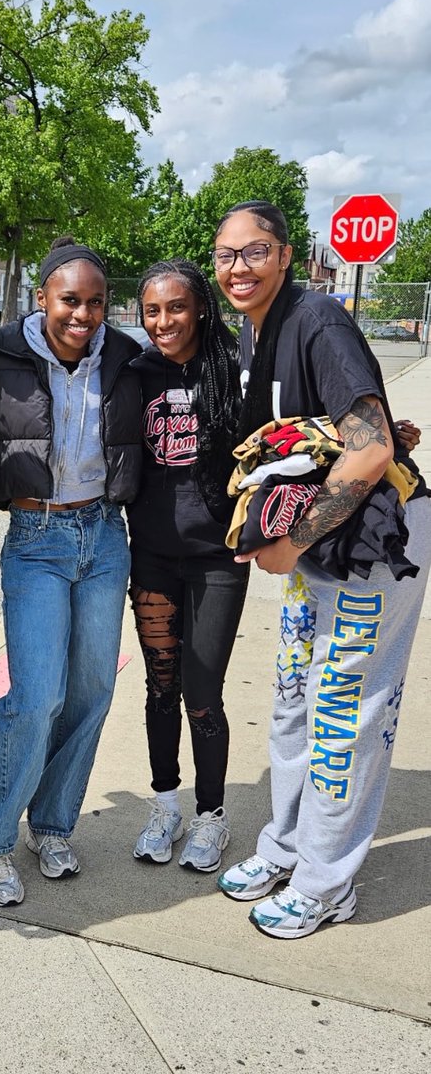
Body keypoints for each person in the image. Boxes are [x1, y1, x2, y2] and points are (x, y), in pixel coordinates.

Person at [212, 200, 431, 938]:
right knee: (294, 700)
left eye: (254, 251)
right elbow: (345, 428)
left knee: (344, 711)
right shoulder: (256, 331)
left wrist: (291, 542)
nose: (237, 267)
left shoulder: (318, 320)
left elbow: (369, 452)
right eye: (225, 255)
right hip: (324, 549)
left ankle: (328, 882)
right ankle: (289, 847)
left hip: (375, 546)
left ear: (285, 256)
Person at [0, 236, 142, 906]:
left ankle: (51, 824)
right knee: (35, 697)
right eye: (70, 299)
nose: (84, 314)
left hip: (103, 536)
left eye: (96, 302)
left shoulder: (127, 359)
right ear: (42, 297)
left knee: (91, 692)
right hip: (37, 537)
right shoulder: (1, 356)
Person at [127, 259, 248, 872]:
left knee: (202, 694)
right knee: (160, 688)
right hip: (151, 556)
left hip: (217, 559)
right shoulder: (135, 371)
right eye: (152, 310)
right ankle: (165, 804)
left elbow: (290, 430)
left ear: (200, 305)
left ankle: (211, 816)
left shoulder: (231, 368)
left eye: (176, 307)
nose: (164, 321)